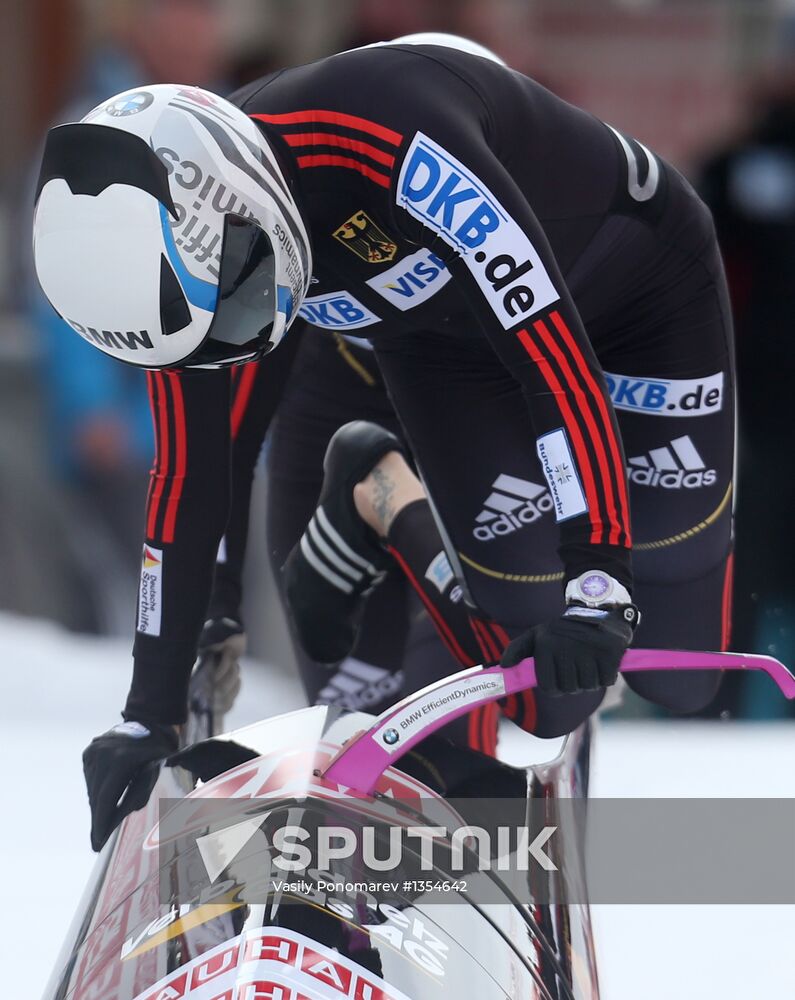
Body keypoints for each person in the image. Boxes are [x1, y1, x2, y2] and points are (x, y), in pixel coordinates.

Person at [33, 38, 735, 850]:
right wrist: (147, 712)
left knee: (684, 675)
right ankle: (379, 495)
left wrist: (601, 583)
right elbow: (193, 470)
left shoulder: (389, 138)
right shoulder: (184, 274)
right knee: (549, 689)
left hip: (635, 293)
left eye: (235, 308)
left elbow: (552, 358)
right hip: (447, 348)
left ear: (241, 207)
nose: (240, 342)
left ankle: (405, 504)